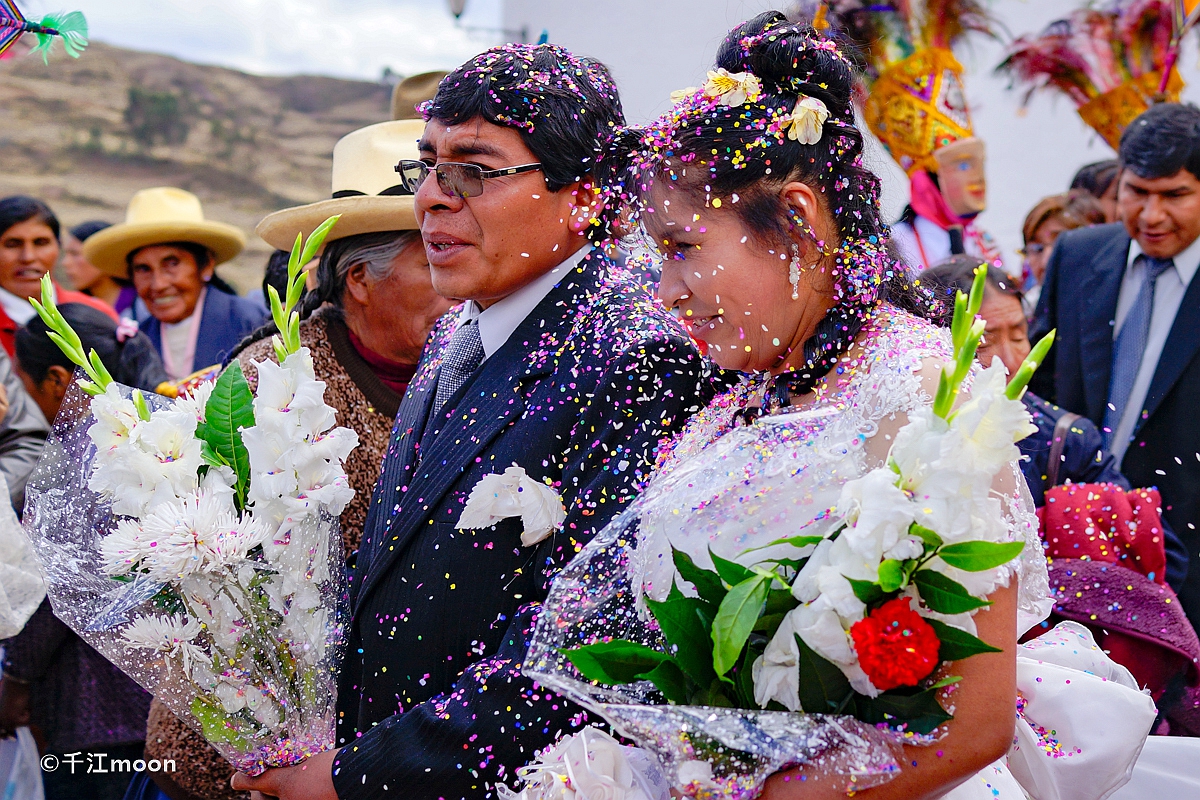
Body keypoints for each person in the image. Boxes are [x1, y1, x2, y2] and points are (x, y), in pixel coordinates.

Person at [507, 13, 1176, 799]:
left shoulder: (925, 396)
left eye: (684, 249)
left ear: (797, 218)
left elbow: (973, 720)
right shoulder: (733, 401)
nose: (666, 293)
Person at [231, 42, 715, 800]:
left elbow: (584, 646)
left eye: (475, 171)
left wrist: (353, 776)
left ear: (585, 194)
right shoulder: (461, 327)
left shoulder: (639, 356)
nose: (431, 197)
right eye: (427, 167)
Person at [1031, 102, 1200, 628]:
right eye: (1137, 192)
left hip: (1185, 559)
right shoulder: (1079, 254)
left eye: (1174, 196)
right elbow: (1039, 389)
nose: (1151, 216)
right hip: (1069, 545)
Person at [923, 256, 1187, 587]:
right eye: (985, 341)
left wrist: (1052, 538)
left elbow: (1166, 557)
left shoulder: (1065, 438)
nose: (1010, 359)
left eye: (1019, 336)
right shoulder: (912, 430)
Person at [0, 304, 170, 800]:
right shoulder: (159, 428)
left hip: (96, 704)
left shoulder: (80, 460)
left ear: (56, 380)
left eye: (25, 385)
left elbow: (58, 587)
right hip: (170, 694)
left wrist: (14, 678)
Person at [825, 4, 1002, 270]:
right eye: (963, 164)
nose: (977, 177)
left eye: (979, 163)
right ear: (928, 181)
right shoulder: (895, 248)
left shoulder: (986, 243)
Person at [81, 187, 267, 381]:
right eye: (143, 269)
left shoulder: (251, 322)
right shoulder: (138, 342)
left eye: (171, 263)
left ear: (206, 265)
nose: (158, 284)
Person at [0, 196, 120, 357]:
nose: (28, 257)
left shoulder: (96, 313)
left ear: (58, 247)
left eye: (41, 242)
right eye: (12, 244)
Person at [1017, 191, 1105, 313]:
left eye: (1061, 247)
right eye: (1037, 249)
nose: (1045, 262)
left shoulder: (1118, 308)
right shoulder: (1023, 314)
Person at [62, 221, 139, 315]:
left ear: (103, 255)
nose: (65, 263)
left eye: (75, 254)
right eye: (66, 254)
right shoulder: (75, 309)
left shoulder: (142, 306)